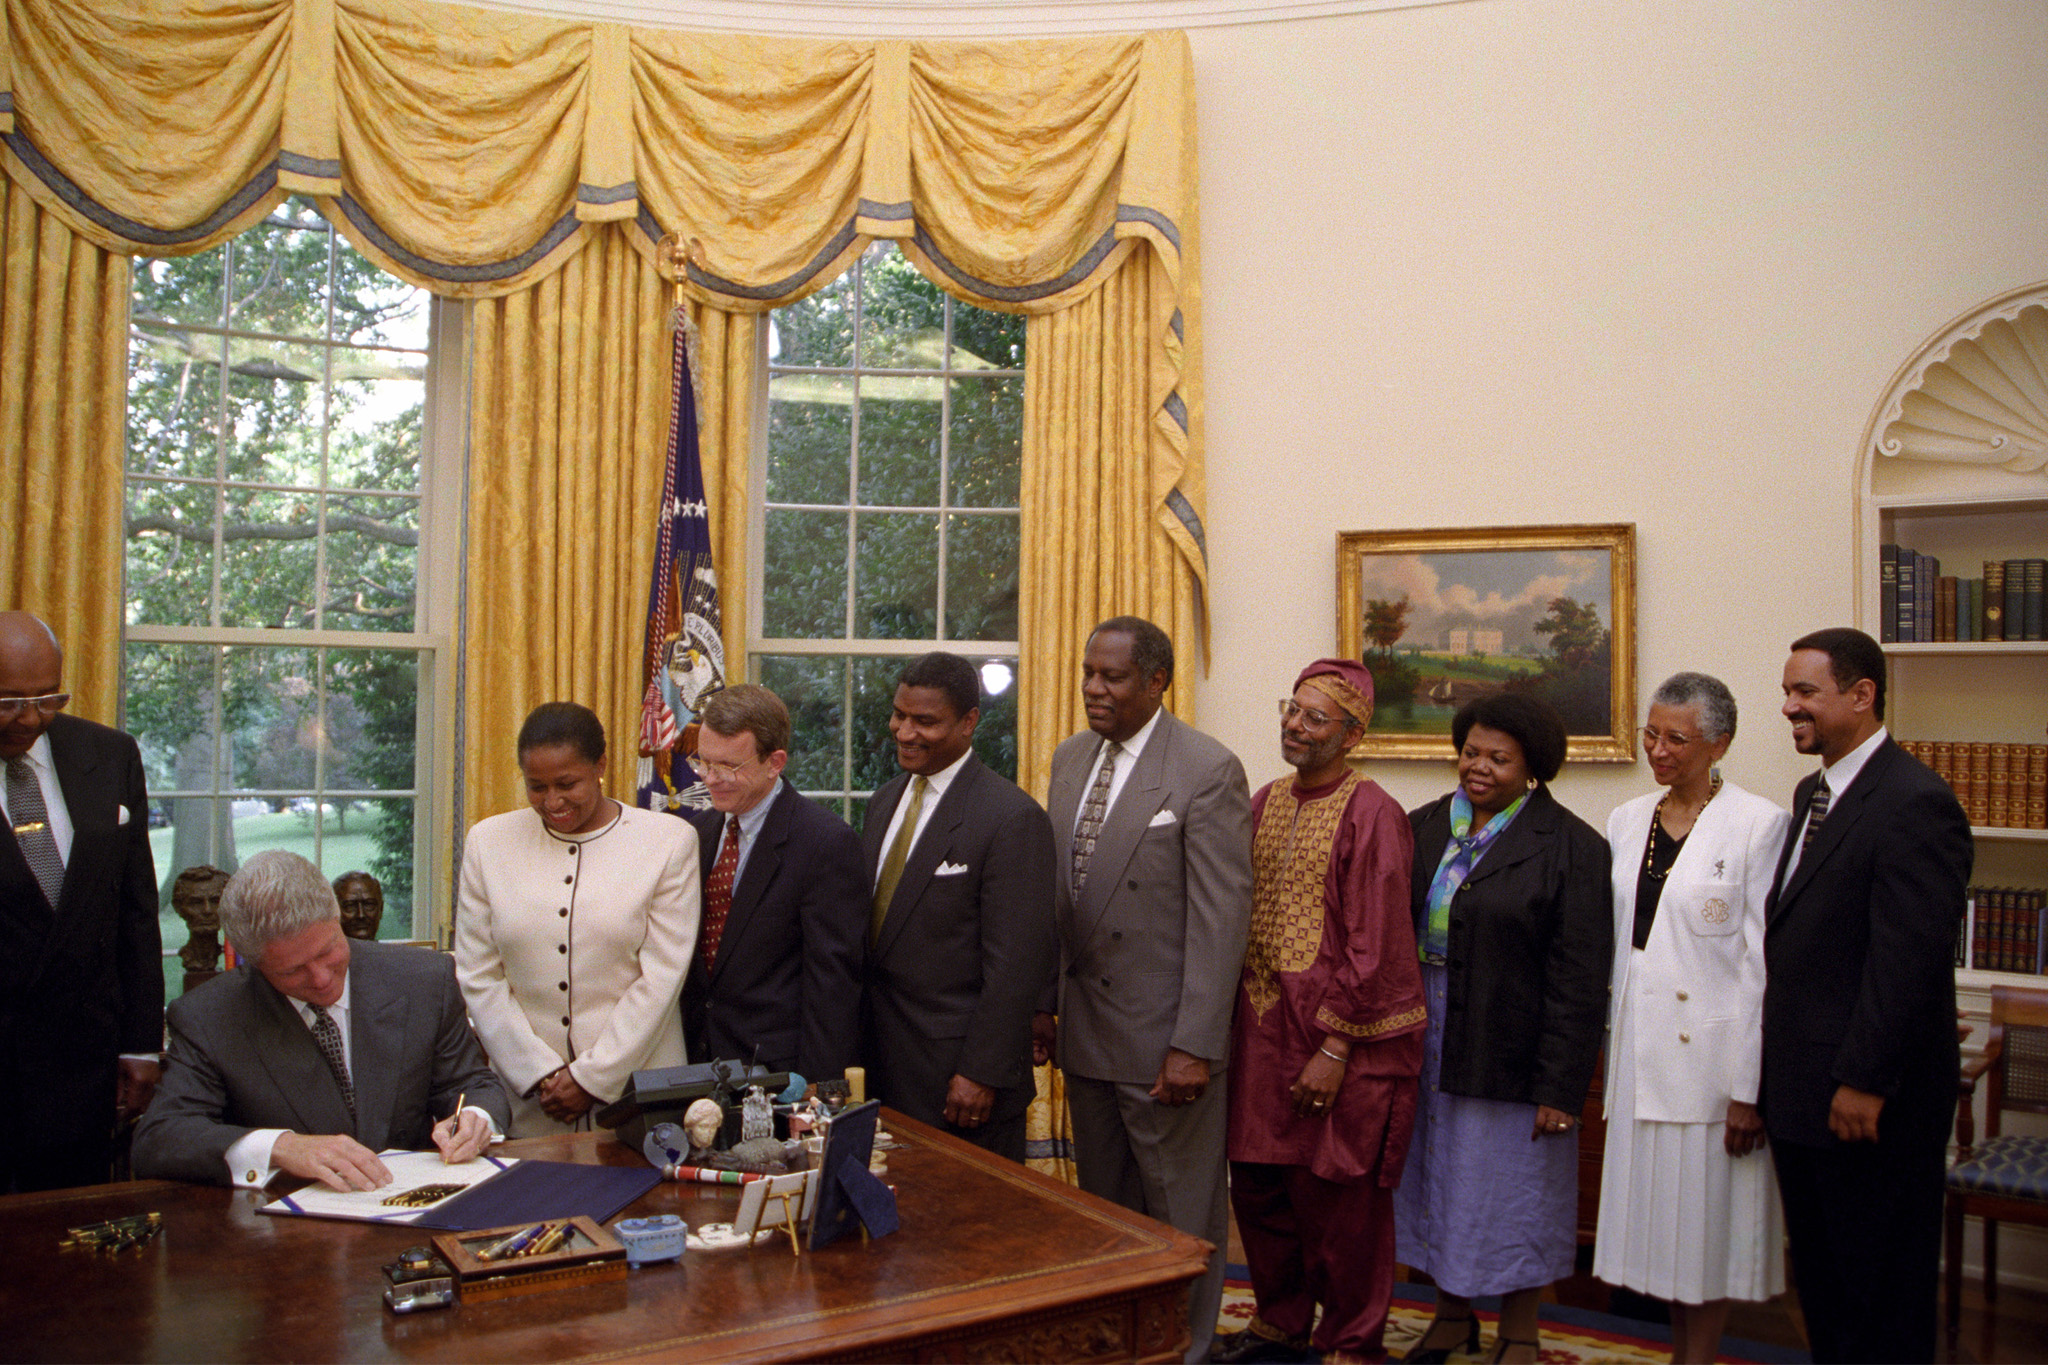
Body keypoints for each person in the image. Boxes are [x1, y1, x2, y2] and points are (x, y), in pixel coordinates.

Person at [1037, 616, 1252, 1360]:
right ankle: (1119, 1344)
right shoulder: (1070, 758)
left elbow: (1222, 920)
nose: (1093, 688)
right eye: (1088, 673)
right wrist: (1045, 1004)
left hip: (1165, 1045)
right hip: (1087, 1033)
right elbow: (1061, 898)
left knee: (1180, 1214)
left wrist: (1195, 1044)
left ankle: (1186, 1349)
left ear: (1157, 681)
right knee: (1108, 1215)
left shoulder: (1206, 768)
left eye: (1113, 676)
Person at [1762, 627, 1972, 1363]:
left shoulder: (1916, 801)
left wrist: (1864, 1080)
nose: (1789, 707)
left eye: (1805, 692)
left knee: (1880, 1297)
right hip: (1803, 1096)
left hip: (1868, 1106)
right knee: (1825, 1291)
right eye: (1787, 691)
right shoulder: (1812, 793)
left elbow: (1907, 962)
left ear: (1862, 695)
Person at [1217, 659, 1423, 1365]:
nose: (1294, 725)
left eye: (1314, 717)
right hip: (1259, 1029)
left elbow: (1379, 942)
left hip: (1337, 1040)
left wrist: (1335, 1049)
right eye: (1292, 709)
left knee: (1339, 1201)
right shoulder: (1263, 801)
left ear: (1352, 734)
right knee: (1259, 1184)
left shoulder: (1374, 814)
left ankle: (1351, 1340)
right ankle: (1279, 1321)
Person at [1396, 692, 1612, 1365]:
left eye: (1499, 758)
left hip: (1514, 1045)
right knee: (1437, 1182)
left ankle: (1521, 1329)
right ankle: (1451, 1318)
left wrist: (1561, 1086)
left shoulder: (1573, 846)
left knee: (1517, 1192)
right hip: (1426, 1035)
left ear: (1533, 766)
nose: (1478, 767)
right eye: (1471, 752)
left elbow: (1580, 978)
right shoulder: (1421, 827)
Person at [1593, 672, 1789, 1362]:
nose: (1658, 749)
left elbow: (1763, 965)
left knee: (1703, 1238)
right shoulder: (1626, 820)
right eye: (1651, 733)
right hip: (1638, 1058)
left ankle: (1697, 1357)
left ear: (1719, 744)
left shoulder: (1759, 824)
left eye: (1676, 738)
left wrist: (1748, 1088)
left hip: (1710, 1070)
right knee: (1659, 1240)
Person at [132, 850, 507, 1190]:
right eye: (293, 971)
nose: (322, 979)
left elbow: (471, 1083)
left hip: (412, 1208)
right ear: (256, 964)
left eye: (329, 951)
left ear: (336, 918)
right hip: (285, 1226)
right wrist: (280, 1147)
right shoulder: (210, 1016)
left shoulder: (423, 979)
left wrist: (476, 1118)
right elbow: (160, 1139)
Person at [456, 702, 700, 1137]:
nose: (552, 801)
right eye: (536, 787)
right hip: (533, 1100)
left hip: (636, 1099)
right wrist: (538, 1072)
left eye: (567, 784)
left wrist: (591, 1078)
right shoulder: (487, 843)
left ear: (600, 766)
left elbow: (662, 977)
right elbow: (479, 974)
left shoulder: (668, 841)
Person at [862, 651, 1056, 1161]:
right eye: (899, 715)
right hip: (881, 1070)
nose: (905, 732)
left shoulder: (1011, 818)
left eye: (925, 721)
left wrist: (980, 1072)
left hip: (961, 1083)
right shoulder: (884, 802)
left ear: (969, 722)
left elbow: (1015, 966)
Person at [0, 611, 163, 1192]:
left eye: (48, 699)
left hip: (83, 1064)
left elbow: (136, 914)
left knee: (73, 1228)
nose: (29, 718)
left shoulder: (110, 754)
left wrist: (142, 1045)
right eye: (9, 702)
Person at [679, 683, 865, 1081]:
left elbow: (832, 987)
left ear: (774, 762)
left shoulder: (825, 842)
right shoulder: (697, 833)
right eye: (704, 763)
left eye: (728, 767)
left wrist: (817, 1089)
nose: (710, 779)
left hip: (778, 1074)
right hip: (694, 1063)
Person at [332, 870, 385, 940]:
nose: (361, 915)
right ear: (333, 912)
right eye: (350, 906)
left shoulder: (396, 947)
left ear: (381, 909)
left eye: (369, 905)